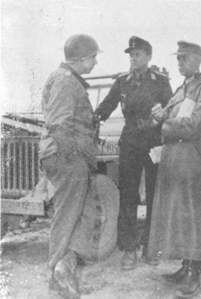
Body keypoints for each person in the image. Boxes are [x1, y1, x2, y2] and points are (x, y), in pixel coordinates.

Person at [40, 34, 120, 299]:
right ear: (83, 58)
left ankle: (63, 269)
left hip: (67, 158)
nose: (96, 62)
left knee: (73, 215)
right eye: (94, 57)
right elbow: (60, 126)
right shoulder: (65, 81)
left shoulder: (65, 79)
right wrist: (77, 158)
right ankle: (57, 276)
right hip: (67, 160)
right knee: (66, 216)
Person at [147, 41, 201, 297]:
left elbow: (194, 126)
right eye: (178, 59)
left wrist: (165, 121)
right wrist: (163, 118)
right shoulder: (180, 90)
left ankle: (195, 272)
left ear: (198, 60)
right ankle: (185, 265)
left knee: (193, 214)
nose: (180, 63)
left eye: (185, 58)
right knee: (178, 214)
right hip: (174, 160)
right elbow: (167, 121)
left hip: (193, 161)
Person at [95, 36, 172, 270]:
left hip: (152, 144)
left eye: (137, 54)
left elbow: (170, 110)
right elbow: (105, 107)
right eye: (130, 54)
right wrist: (93, 118)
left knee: (154, 196)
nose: (133, 58)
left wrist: (162, 119)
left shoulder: (160, 81)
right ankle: (129, 249)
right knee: (128, 196)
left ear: (148, 56)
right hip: (129, 144)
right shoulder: (122, 82)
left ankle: (151, 247)